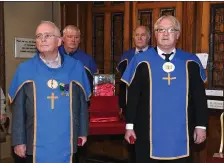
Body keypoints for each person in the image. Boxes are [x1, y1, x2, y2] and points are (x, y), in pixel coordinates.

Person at [121, 15, 208, 163]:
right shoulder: (140, 61)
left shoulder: (190, 62)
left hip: (181, 133)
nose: (165, 34)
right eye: (161, 30)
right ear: (155, 34)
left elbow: (199, 96)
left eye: (170, 30)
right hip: (146, 132)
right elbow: (133, 96)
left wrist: (201, 125)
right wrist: (129, 125)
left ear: (178, 34)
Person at [8, 21, 90, 163]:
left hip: (67, 141)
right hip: (34, 142)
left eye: (47, 35)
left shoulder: (75, 67)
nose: (42, 39)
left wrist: (82, 131)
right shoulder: (25, 70)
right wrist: (18, 141)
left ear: (59, 41)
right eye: (39, 36)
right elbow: (18, 110)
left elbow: (82, 103)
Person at [117, 25, 151, 163]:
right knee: (131, 141)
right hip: (129, 106)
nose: (140, 38)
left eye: (143, 35)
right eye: (137, 35)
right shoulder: (126, 57)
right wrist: (121, 104)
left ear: (149, 37)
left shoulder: (155, 55)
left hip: (149, 106)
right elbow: (123, 84)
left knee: (146, 141)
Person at [59, 25, 98, 92]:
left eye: (76, 37)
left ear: (79, 40)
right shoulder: (54, 55)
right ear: (62, 38)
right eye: (70, 37)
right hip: (58, 95)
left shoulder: (87, 60)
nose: (73, 40)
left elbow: (95, 83)